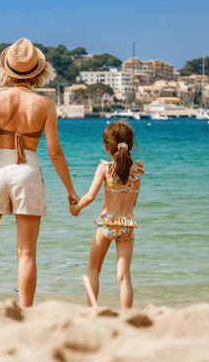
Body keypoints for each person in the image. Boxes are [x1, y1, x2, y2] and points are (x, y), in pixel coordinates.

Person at [0, 38, 79, 309]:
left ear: (8, 70)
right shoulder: (45, 105)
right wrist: (71, 191)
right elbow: (55, 153)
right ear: (38, 72)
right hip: (29, 170)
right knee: (26, 253)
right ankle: (25, 311)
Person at [69, 121, 143, 310]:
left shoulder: (105, 168)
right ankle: (127, 315)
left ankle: (92, 309)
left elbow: (90, 197)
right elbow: (133, 201)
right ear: (130, 144)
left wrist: (76, 208)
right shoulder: (137, 170)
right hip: (127, 225)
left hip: (107, 224)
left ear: (106, 146)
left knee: (94, 268)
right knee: (124, 275)